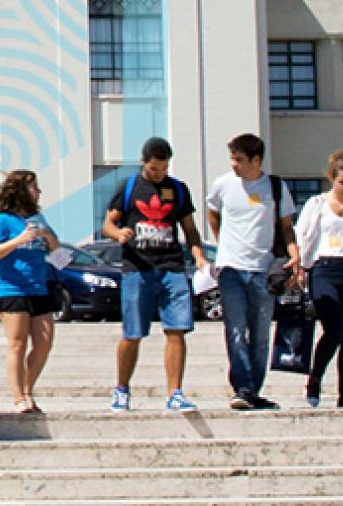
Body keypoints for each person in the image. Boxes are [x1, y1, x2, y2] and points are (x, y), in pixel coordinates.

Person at [102, 136, 208, 413]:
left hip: (172, 267)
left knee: (177, 329)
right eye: (153, 169)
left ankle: (175, 393)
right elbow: (108, 224)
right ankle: (122, 389)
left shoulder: (178, 189)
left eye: (164, 169)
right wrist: (118, 234)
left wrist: (198, 254)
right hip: (138, 268)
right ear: (143, 163)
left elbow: (189, 228)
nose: (159, 174)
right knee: (133, 332)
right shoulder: (129, 187)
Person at [205, 133, 300, 411]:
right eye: (232, 159)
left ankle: (252, 391)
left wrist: (294, 255)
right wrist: (223, 244)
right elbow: (213, 214)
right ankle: (243, 388)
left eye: (239, 159)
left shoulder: (275, 187)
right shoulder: (223, 185)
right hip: (231, 269)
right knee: (235, 331)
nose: (233, 164)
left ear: (256, 160)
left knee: (260, 336)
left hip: (263, 270)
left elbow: (286, 227)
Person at [0, 170, 59, 414]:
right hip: (11, 288)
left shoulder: (38, 218)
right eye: (33, 187)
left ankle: (28, 389)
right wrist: (18, 240)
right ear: (21, 191)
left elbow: (57, 253)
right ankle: (18, 397)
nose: (38, 192)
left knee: (44, 342)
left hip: (38, 287)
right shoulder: (3, 221)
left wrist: (47, 235)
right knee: (18, 342)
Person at [294, 149, 343, 408]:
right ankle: (315, 378)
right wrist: (299, 266)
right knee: (335, 328)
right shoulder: (317, 204)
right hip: (324, 269)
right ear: (332, 178)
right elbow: (302, 235)